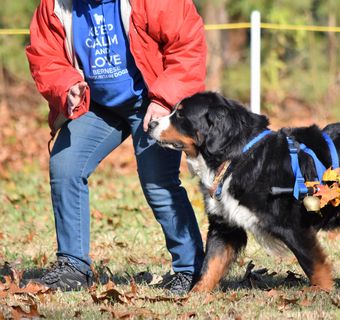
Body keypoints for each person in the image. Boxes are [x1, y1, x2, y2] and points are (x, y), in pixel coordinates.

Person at [25, 0, 206, 294]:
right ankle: (73, 266)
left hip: (151, 99)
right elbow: (46, 56)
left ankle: (190, 269)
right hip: (97, 105)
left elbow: (187, 46)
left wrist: (164, 99)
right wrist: (66, 86)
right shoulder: (56, 4)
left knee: (158, 182)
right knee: (65, 164)